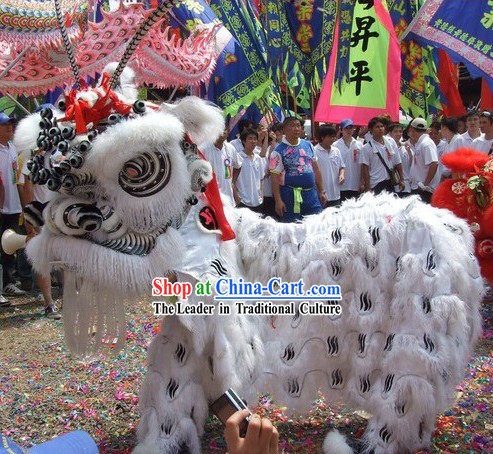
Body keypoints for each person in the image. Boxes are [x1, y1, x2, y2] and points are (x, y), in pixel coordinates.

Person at [269, 117, 327, 222]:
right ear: (284, 130)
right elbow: (274, 178)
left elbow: (316, 169)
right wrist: (278, 200)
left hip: (311, 194)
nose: (296, 128)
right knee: (292, 230)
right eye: (292, 126)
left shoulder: (308, 145)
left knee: (317, 225)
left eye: (298, 126)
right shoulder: (277, 151)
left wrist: (322, 191)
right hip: (290, 196)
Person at [0, 112, 26, 301]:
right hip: (1, 206)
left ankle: (8, 283)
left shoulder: (11, 148)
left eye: (11, 124)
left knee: (9, 246)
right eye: (4, 125)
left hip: (14, 205)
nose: (10, 127)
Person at [359, 117, 404, 195]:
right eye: (377, 127)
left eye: (382, 126)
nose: (380, 129)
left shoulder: (391, 142)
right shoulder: (366, 148)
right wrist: (367, 187)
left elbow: (398, 161)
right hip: (376, 183)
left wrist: (402, 179)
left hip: (390, 181)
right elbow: (365, 169)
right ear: (370, 130)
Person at [201, 129, 242, 206]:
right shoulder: (204, 148)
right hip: (210, 200)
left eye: (225, 130)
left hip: (228, 199)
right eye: (219, 129)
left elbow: (238, 165)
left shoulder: (230, 148)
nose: (223, 132)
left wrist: (233, 181)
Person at [233, 129, 266, 213]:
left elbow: (261, 179)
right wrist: (237, 198)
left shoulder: (258, 158)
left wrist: (261, 196)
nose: (253, 141)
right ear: (244, 141)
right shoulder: (238, 158)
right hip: (243, 202)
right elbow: (233, 180)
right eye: (250, 138)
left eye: (255, 138)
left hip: (258, 202)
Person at [408, 118, 439, 203]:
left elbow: (434, 163)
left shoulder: (426, 143)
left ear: (411, 128)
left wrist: (425, 184)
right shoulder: (421, 143)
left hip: (424, 190)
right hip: (418, 188)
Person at [314, 125, 345, 207]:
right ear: (322, 137)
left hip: (335, 194)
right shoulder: (314, 151)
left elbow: (341, 166)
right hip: (321, 195)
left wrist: (341, 175)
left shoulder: (336, 151)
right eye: (330, 137)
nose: (333, 139)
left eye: (334, 137)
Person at [334, 119, 363, 201]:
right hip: (341, 184)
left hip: (355, 183)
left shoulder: (359, 145)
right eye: (346, 128)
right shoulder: (335, 146)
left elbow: (362, 165)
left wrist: (362, 182)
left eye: (351, 128)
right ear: (341, 130)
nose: (349, 130)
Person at [388, 123, 412, 196]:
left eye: (400, 131)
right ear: (390, 133)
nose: (398, 134)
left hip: (406, 186)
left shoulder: (406, 147)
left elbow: (411, 165)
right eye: (395, 131)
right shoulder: (387, 148)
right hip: (392, 185)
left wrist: (409, 152)